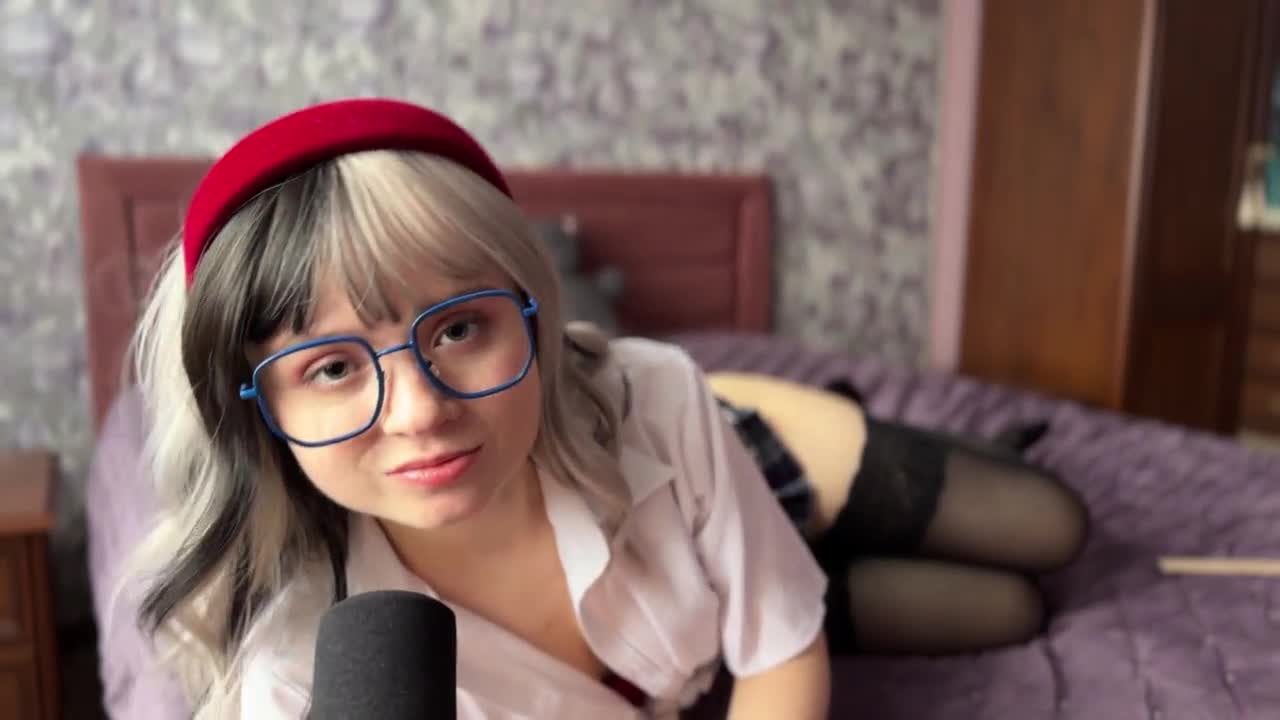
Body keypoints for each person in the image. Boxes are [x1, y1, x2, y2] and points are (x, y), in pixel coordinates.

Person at [119, 97, 1087, 720]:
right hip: (721, 560)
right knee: (1014, 611)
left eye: (458, 328)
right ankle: (777, 564)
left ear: (532, 312)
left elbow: (782, 658)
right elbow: (782, 646)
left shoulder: (654, 396)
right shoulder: (301, 667)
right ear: (256, 408)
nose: (417, 411)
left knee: (1050, 526)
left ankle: (787, 467)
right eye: (331, 368)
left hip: (736, 446)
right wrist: (773, 617)